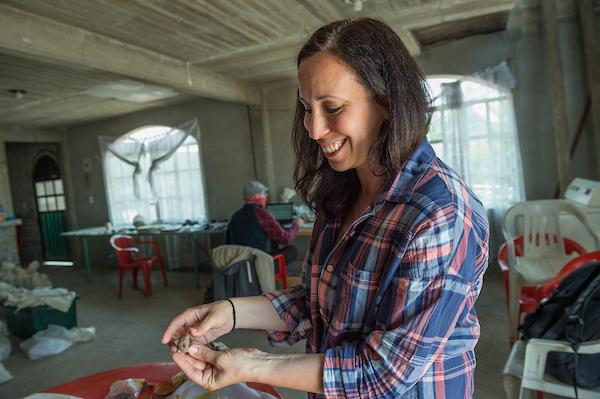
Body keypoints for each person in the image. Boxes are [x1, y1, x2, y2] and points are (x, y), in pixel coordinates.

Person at [163, 18, 489, 398]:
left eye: (332, 107)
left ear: (385, 103)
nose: (314, 130)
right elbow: (320, 300)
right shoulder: (343, 191)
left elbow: (384, 373)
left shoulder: (440, 214)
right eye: (306, 108)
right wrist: (230, 312)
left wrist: (251, 365)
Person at [225, 180, 304, 264]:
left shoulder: (234, 216)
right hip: (259, 265)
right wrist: (296, 224)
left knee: (273, 248)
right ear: (256, 196)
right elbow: (285, 239)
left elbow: (227, 244)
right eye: (263, 194)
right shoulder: (261, 213)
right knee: (292, 250)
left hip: (238, 265)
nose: (265, 197)